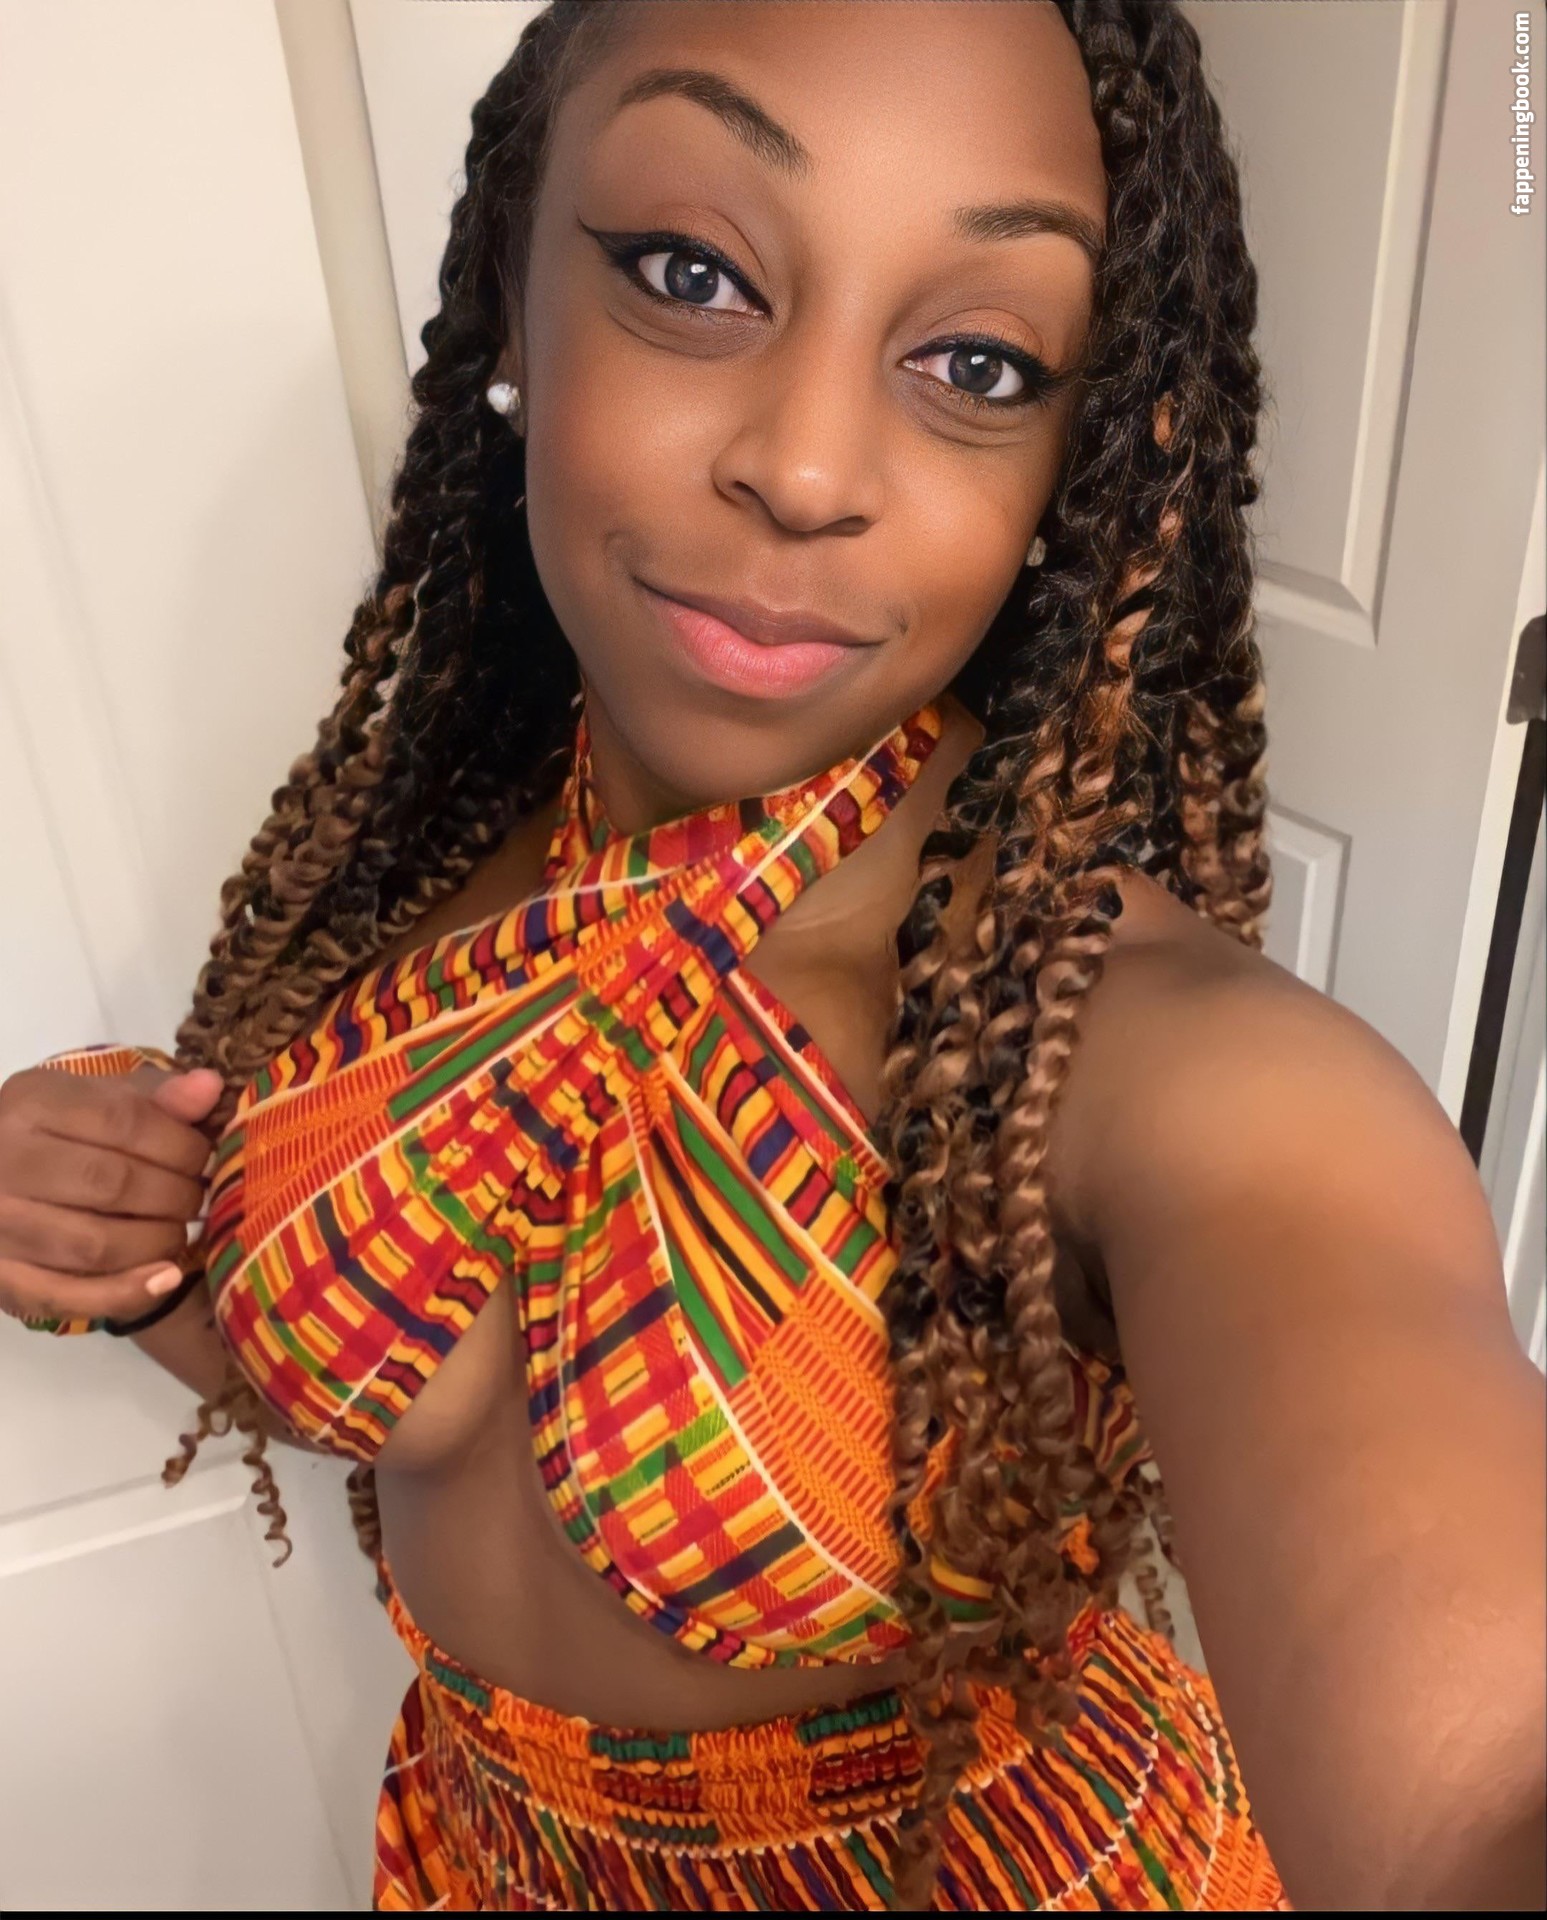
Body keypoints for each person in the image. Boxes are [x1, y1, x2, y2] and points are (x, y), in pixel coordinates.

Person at [0, 1, 1541, 1909]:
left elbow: (1480, 1781)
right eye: (693, 274)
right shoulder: (436, 877)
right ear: (510, 291)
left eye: (976, 362)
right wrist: (129, 1249)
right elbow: (399, 1386)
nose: (809, 469)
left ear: (1074, 462)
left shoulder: (1130, 1063)